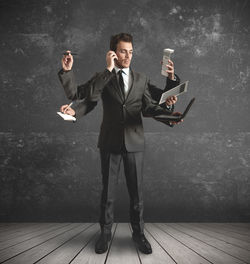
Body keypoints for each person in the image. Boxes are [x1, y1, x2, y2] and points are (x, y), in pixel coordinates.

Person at [58, 33, 182, 254]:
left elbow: (151, 106)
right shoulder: (104, 77)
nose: (128, 56)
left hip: (135, 142)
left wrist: (171, 109)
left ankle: (139, 235)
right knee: (108, 195)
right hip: (110, 143)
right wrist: (69, 75)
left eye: (131, 51)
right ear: (113, 53)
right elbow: (82, 96)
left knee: (137, 195)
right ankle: (105, 235)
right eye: (123, 51)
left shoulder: (141, 78)